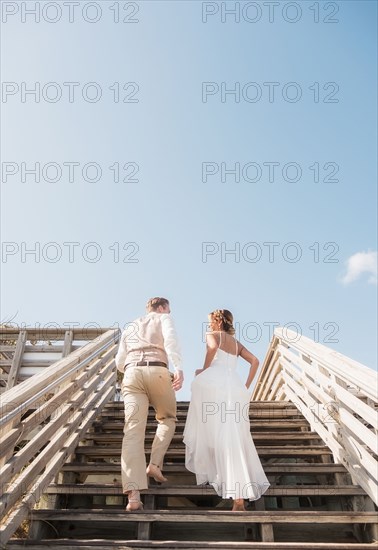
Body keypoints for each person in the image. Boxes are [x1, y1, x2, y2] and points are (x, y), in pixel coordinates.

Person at [183, 309, 270, 511]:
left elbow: (212, 349)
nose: (209, 325)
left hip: (217, 383)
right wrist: (246, 386)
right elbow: (255, 361)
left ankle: (232, 488)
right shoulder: (236, 343)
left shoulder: (212, 335)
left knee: (217, 431)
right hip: (236, 387)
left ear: (216, 321)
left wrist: (204, 370)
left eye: (210, 322)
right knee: (235, 437)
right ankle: (238, 497)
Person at [115, 297, 183, 511]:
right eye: (168, 309)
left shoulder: (131, 326)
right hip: (158, 370)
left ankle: (133, 497)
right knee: (167, 418)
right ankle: (154, 464)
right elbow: (171, 340)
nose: (169, 312)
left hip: (132, 373)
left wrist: (134, 371)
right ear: (162, 307)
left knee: (133, 431)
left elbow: (119, 362)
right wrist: (179, 367)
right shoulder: (163, 318)